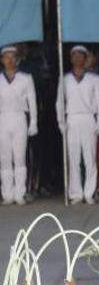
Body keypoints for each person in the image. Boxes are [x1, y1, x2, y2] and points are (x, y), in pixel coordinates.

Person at [56, 45, 99, 205]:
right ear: (70, 59)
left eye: (80, 56)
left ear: (85, 58)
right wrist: (61, 122)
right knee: (74, 159)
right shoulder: (65, 78)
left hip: (88, 118)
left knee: (90, 158)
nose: (77, 59)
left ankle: (89, 192)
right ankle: (76, 193)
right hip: (72, 119)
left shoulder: (94, 78)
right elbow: (59, 102)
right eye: (74, 56)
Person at [0, 45, 37, 205]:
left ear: (17, 59)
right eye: (6, 57)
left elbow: (32, 101)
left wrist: (33, 122)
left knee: (20, 157)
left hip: (19, 117)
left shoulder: (26, 78)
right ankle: (7, 194)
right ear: (2, 60)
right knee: (5, 159)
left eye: (12, 57)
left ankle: (19, 193)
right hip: (2, 118)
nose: (9, 60)